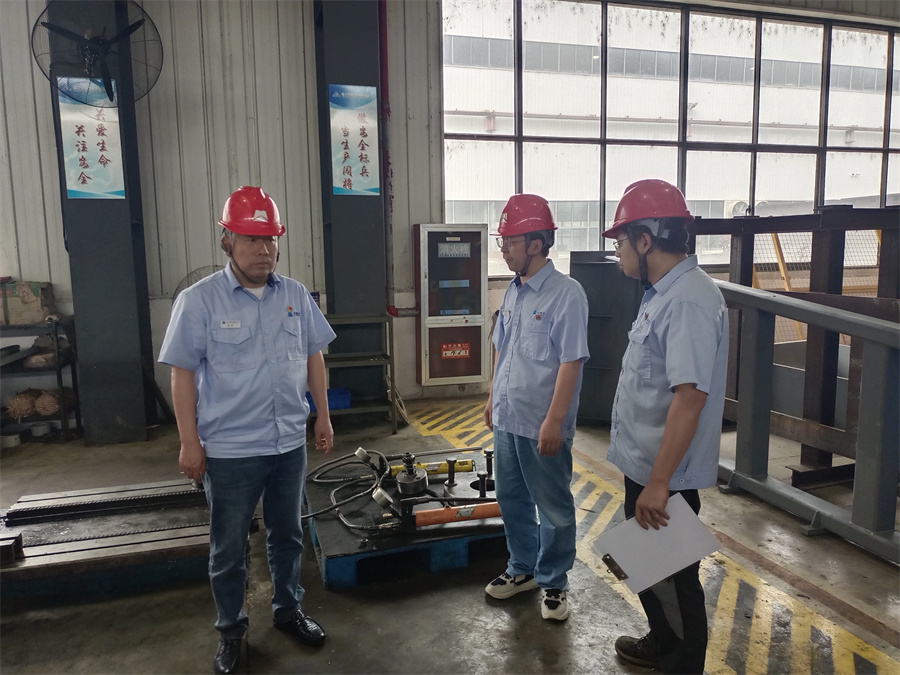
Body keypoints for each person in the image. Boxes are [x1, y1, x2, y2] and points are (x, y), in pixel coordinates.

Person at [158, 186, 336, 674]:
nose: (264, 250)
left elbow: (313, 356)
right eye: (251, 239)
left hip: (287, 445)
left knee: (288, 536)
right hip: (230, 451)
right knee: (229, 548)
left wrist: (322, 415)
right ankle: (232, 631)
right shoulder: (199, 301)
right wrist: (189, 442)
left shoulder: (295, 295)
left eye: (270, 239)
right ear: (227, 241)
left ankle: (288, 610)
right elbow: (181, 374)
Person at [603, 179, 728, 674]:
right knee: (649, 567)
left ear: (645, 239)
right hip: (647, 464)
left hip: (665, 474)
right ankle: (662, 642)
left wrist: (658, 483)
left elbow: (689, 398)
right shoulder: (662, 294)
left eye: (620, 240)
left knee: (674, 579)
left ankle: (682, 664)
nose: (617, 250)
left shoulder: (688, 301)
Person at [482, 194, 590, 621]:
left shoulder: (567, 294)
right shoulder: (513, 290)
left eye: (510, 241)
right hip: (508, 419)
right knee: (511, 498)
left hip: (542, 423)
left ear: (536, 243)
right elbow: (502, 348)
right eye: (503, 241)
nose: (504, 249)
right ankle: (522, 568)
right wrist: (492, 397)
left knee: (553, 507)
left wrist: (554, 421)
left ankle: (555, 582)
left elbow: (571, 361)